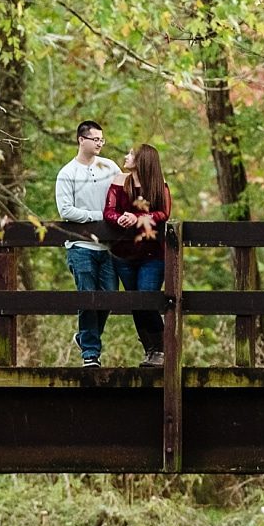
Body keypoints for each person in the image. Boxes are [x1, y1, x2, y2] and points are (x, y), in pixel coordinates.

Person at [55, 119, 120, 366]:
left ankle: (84, 337)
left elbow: (124, 194)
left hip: (108, 246)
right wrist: (98, 216)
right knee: (87, 298)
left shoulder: (110, 167)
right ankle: (90, 354)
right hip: (80, 246)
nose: (100, 143)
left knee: (110, 296)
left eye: (102, 139)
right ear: (81, 140)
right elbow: (66, 211)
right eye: (95, 139)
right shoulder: (67, 173)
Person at [105, 143, 172, 366]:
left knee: (147, 298)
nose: (126, 156)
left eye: (131, 154)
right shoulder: (119, 181)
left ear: (143, 160)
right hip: (123, 254)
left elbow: (164, 213)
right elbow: (109, 211)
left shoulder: (158, 184)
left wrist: (138, 218)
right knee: (135, 302)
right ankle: (150, 350)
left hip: (152, 253)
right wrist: (120, 219)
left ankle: (162, 349)